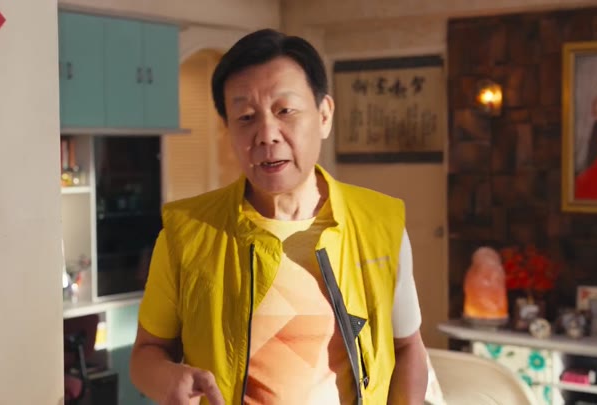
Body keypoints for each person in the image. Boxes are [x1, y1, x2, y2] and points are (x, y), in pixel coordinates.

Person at [129, 29, 429, 405]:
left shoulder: (380, 223)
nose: (267, 134)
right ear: (228, 129)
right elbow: (146, 353)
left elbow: (407, 347)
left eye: (285, 111)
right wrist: (166, 380)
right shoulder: (186, 233)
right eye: (246, 117)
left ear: (324, 115)